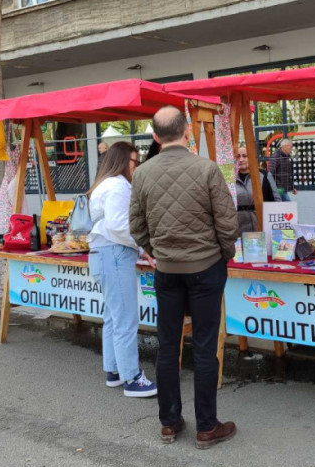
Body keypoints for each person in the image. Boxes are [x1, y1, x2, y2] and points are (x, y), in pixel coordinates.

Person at [130, 106, 238, 449]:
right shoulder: (206, 169)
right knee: (205, 346)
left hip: (167, 270)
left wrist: (157, 251)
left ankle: (169, 422)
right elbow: (227, 223)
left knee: (167, 345)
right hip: (206, 267)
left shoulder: (142, 173)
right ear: (187, 131)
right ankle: (207, 426)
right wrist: (224, 255)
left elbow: (136, 226)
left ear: (155, 136)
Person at [88, 142, 157, 397]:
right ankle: (132, 378)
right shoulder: (118, 186)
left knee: (113, 317)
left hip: (104, 254)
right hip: (115, 254)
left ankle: (115, 370)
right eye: (134, 162)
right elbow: (119, 227)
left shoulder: (104, 184)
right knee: (125, 319)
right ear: (122, 161)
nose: (136, 167)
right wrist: (143, 246)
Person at [235, 145, 277, 233]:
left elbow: (276, 201)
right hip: (237, 228)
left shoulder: (264, 176)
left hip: (260, 227)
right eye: (238, 156)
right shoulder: (229, 179)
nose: (241, 159)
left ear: (251, 157)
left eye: (245, 156)